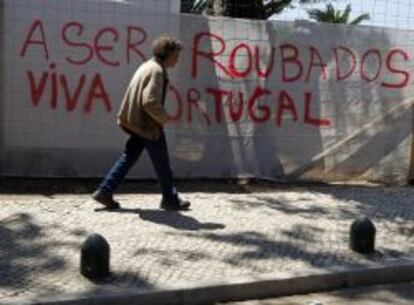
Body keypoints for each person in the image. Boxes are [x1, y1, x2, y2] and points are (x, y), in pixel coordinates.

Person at [92, 35, 190, 211]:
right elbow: (150, 101)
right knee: (162, 163)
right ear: (167, 54)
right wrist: (164, 118)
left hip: (136, 122)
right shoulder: (157, 71)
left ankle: (105, 191)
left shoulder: (147, 66)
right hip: (147, 125)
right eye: (176, 55)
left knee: (129, 156)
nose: (178, 59)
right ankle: (170, 198)